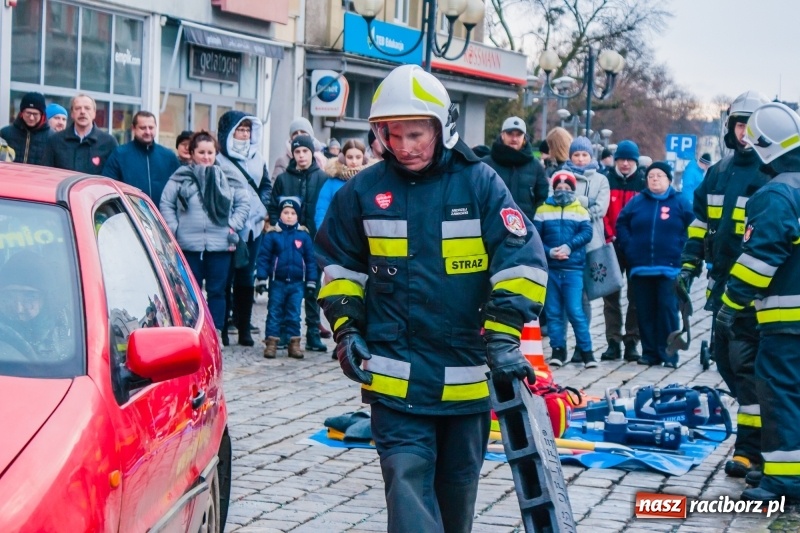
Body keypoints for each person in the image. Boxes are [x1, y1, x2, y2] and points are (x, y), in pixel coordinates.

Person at [315, 64, 547, 533]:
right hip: (395, 387)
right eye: (392, 134)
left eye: (416, 133)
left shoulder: (480, 184)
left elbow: (522, 264)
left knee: (455, 507)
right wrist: (347, 331)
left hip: (465, 388)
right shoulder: (363, 191)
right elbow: (340, 270)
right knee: (406, 488)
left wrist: (503, 338)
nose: (404, 146)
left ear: (444, 127)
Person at [679, 90, 770, 480]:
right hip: (721, 287)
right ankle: (761, 436)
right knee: (722, 358)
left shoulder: (772, 172)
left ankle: (751, 451)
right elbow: (700, 224)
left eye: (753, 126)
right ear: (730, 128)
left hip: (755, 290)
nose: (746, 132)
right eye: (739, 124)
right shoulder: (718, 172)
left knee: (747, 366)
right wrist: (687, 267)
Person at [718, 102, 800, 503]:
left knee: (780, 392)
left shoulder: (775, 195)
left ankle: (785, 482)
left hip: (787, 323)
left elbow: (757, 262)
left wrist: (731, 305)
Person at [159, 131, 249, 335]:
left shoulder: (228, 176)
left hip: (221, 244)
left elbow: (243, 202)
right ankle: (192, 331)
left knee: (218, 291)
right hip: (188, 245)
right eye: (201, 152)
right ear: (192, 153)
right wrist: (175, 229)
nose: (206, 157)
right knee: (191, 291)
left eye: (210, 152)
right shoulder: (180, 177)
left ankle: (216, 331)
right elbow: (167, 203)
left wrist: (232, 225)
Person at [616, 162, 693, 367]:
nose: (655, 179)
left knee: (667, 312)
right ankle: (649, 353)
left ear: (669, 179)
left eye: (659, 176)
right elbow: (621, 223)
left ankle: (669, 353)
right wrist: (629, 246)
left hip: (669, 268)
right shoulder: (637, 201)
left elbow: (693, 226)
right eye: (651, 176)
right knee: (645, 312)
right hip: (641, 267)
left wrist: (682, 248)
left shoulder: (680, 202)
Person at [269, 134, 329, 353]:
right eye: (297, 152)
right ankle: (285, 332)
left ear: (312, 152)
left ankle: (313, 331)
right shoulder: (285, 178)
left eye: (305, 151)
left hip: (313, 241)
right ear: (292, 154)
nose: (301, 156)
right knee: (286, 286)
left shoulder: (321, 178)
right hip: (286, 241)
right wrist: (277, 226)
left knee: (312, 288)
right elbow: (273, 205)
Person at [216, 111, 271, 347]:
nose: (245, 133)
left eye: (248, 129)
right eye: (240, 129)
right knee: (226, 276)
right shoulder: (219, 160)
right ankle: (224, 328)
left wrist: (263, 206)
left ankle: (244, 326)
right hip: (230, 227)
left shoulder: (258, 158)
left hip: (254, 227)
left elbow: (266, 185)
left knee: (247, 277)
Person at [534, 170, 594, 368]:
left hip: (573, 268)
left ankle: (586, 351)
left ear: (573, 190)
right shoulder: (543, 210)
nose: (563, 191)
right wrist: (550, 252)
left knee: (575, 311)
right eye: (559, 188)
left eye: (567, 188)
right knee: (552, 312)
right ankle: (558, 349)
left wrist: (569, 246)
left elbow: (587, 232)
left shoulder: (580, 210)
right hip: (551, 268)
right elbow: (535, 238)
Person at [561, 136, 610, 350]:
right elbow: (556, 202)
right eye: (576, 155)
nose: (580, 159)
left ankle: (583, 346)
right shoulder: (561, 176)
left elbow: (600, 209)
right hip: (563, 241)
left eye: (584, 155)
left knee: (584, 297)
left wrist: (575, 202)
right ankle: (559, 344)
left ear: (591, 156)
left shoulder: (601, 180)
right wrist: (585, 203)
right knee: (561, 295)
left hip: (589, 244)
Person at [600, 139, 646, 361]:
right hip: (611, 245)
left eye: (629, 160)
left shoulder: (644, 181)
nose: (625, 164)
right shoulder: (607, 180)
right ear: (616, 160)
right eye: (621, 159)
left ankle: (631, 341)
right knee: (610, 296)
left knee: (636, 297)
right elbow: (602, 211)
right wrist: (609, 234)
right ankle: (613, 341)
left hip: (636, 247)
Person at [255, 197, 317, 359]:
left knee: (294, 313)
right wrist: (261, 278)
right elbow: (263, 258)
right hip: (277, 282)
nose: (289, 216)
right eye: (286, 212)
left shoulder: (303, 236)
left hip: (297, 283)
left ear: (298, 216)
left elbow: (310, 260)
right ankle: (272, 343)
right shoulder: (273, 235)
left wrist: (311, 281)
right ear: (280, 214)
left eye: (293, 213)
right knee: (274, 312)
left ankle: (294, 343)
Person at [0, 250, 71, 361]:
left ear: (46, 299)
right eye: (8, 296)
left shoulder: (68, 331)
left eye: (30, 296)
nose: (18, 308)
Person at [102, 111, 180, 206]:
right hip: (130, 216)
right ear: (133, 129)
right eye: (143, 128)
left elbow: (179, 189)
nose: (147, 132)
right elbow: (108, 187)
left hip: (163, 217)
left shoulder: (168, 156)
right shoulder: (120, 154)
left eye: (151, 128)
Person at [483, 116, 550, 222]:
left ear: (524, 137)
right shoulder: (486, 164)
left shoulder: (536, 166)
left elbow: (542, 198)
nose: (514, 139)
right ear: (502, 135)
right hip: (492, 226)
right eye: (510, 134)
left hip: (526, 227)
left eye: (518, 135)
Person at [41, 94, 118, 174]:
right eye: (78, 108)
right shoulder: (55, 141)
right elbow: (47, 175)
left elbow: (114, 178)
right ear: (72, 113)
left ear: (94, 113)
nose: (82, 112)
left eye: (87, 108)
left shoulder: (109, 142)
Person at [317, 139, 368, 230]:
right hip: (338, 235)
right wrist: (324, 235)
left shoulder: (371, 179)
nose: (354, 161)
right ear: (344, 157)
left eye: (358, 157)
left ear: (363, 158)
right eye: (350, 157)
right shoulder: (332, 182)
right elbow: (322, 210)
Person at [0, 91, 51, 165]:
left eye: (35, 114)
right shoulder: (5, 133)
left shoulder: (52, 138)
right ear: (21, 112)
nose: (31, 118)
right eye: (28, 113)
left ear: (42, 115)